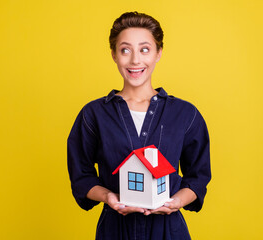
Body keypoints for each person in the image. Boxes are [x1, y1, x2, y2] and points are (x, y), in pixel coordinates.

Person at [67, 11, 211, 240]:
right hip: (115, 230)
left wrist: (176, 202)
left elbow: (198, 177)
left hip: (168, 231)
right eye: (125, 50)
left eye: (144, 49)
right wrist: (109, 197)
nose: (135, 60)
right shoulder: (93, 114)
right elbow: (82, 176)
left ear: (158, 53)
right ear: (114, 54)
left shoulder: (185, 113)